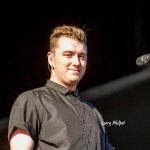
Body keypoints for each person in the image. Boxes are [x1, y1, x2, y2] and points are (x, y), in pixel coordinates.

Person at [8, 25, 114, 150]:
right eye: (68, 55)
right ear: (51, 59)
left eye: (82, 56)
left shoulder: (93, 112)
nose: (76, 62)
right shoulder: (31, 100)